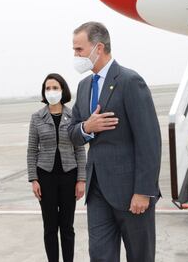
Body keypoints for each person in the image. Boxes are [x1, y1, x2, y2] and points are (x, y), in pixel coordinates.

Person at [68, 22, 161, 262]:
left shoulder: (130, 81)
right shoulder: (84, 85)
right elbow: (72, 132)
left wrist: (143, 191)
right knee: (99, 256)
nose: (75, 55)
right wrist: (87, 127)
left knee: (140, 256)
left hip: (131, 191)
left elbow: (149, 140)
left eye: (79, 49)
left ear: (98, 48)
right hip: (97, 189)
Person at [27, 73, 86, 262]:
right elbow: (31, 150)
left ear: (63, 90)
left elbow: (80, 149)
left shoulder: (73, 116)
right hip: (46, 177)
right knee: (50, 227)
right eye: (48, 88)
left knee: (67, 226)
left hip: (69, 176)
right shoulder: (37, 117)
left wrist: (81, 180)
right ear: (44, 92)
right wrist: (33, 178)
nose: (51, 91)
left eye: (55, 87)